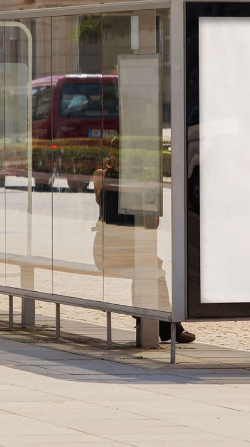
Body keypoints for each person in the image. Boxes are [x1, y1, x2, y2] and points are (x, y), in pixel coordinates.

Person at [92, 137, 196, 344]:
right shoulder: (134, 185)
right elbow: (153, 224)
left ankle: (147, 320)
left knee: (149, 266)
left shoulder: (100, 177)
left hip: (104, 249)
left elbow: (99, 197)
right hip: (118, 250)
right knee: (151, 267)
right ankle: (162, 326)